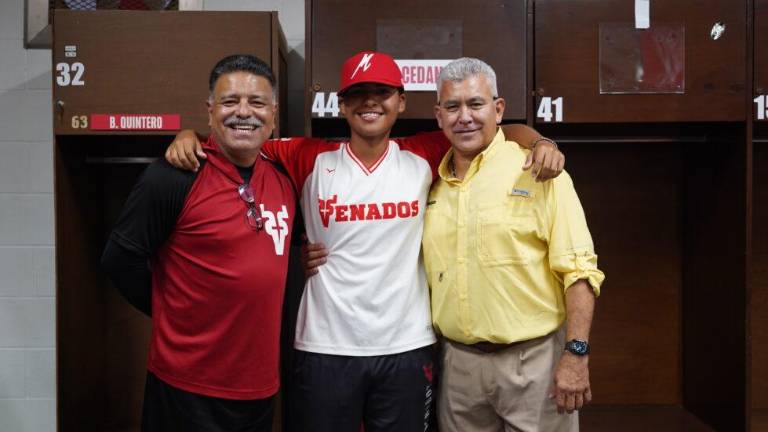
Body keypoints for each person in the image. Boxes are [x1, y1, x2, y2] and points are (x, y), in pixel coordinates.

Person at [164, 51, 564, 432]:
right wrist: (190, 136)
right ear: (341, 105)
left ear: (401, 102)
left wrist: (543, 143)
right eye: (357, 94)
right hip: (324, 346)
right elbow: (238, 140)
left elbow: (503, 132)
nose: (369, 102)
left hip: (407, 345)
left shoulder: (423, 153)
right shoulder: (308, 156)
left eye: (382, 92)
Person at [101, 54, 296, 432]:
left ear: (273, 114)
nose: (244, 112)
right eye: (230, 101)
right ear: (210, 112)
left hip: (258, 387)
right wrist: (173, 310)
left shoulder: (283, 180)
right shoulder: (172, 177)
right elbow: (118, 260)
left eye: (257, 102)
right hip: (184, 386)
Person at [422, 57, 605, 432]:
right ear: (439, 116)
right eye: (453, 107)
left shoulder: (540, 171)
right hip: (457, 369)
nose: (465, 117)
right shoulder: (429, 184)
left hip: (534, 365)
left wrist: (576, 354)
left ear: (498, 109)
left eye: (476, 104)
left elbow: (579, 271)